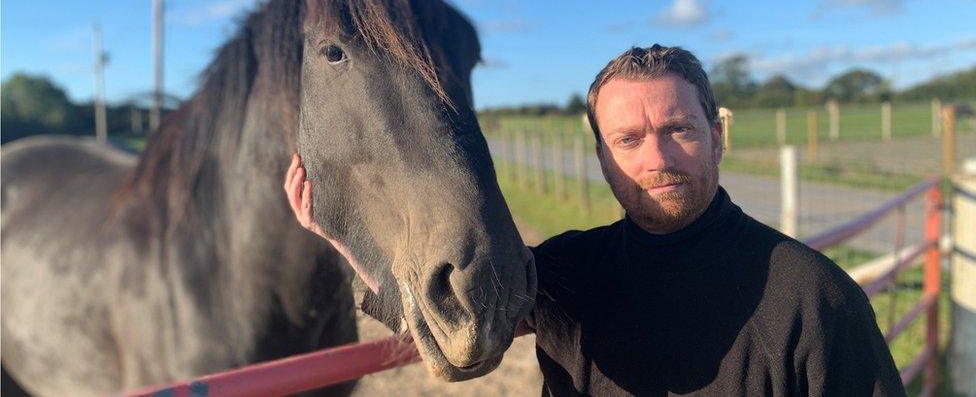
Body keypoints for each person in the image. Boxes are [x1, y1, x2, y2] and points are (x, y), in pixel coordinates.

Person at [285, 45, 905, 396]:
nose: (657, 159)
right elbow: (450, 319)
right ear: (603, 160)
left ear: (717, 137)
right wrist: (339, 237)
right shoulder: (568, 270)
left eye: (679, 130)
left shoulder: (816, 297)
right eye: (628, 140)